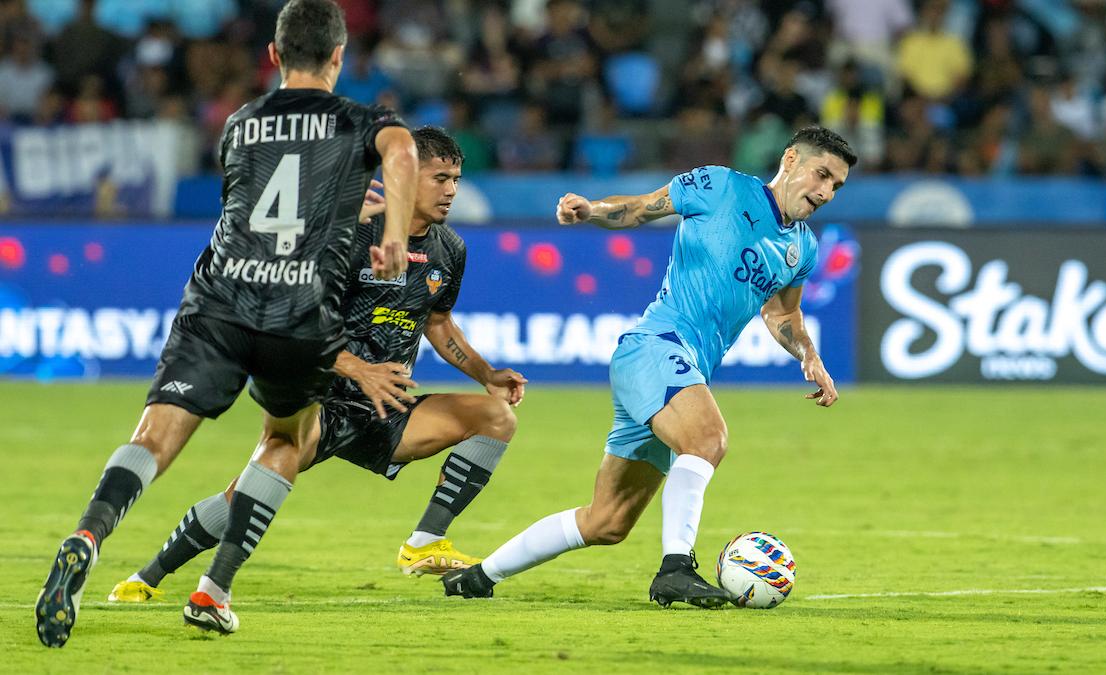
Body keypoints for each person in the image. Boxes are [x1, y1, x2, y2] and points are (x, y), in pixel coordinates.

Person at [35, 0, 417, 647]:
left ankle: (89, 535)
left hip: (220, 300)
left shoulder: (239, 124)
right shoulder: (360, 121)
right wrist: (395, 236)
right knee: (287, 437)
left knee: (155, 435)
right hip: (299, 313)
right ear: (339, 56)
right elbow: (402, 150)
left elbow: (261, 208)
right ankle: (215, 587)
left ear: (273, 55)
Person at [107, 128, 526, 609]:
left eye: (455, 179)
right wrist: (357, 368)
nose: (451, 190)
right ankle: (147, 576)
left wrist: (487, 375)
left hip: (384, 405)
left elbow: (438, 321)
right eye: (440, 179)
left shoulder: (449, 249)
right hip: (317, 400)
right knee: (242, 499)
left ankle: (425, 542)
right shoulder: (351, 236)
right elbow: (295, 323)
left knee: (495, 417)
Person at [443, 126, 855, 608]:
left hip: (680, 369)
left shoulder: (802, 247)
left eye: (836, 185)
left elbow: (782, 313)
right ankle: (675, 569)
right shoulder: (721, 186)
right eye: (822, 174)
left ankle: (478, 577)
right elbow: (640, 207)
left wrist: (808, 354)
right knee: (707, 439)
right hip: (655, 347)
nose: (826, 191)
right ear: (790, 160)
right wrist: (592, 210)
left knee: (607, 521)